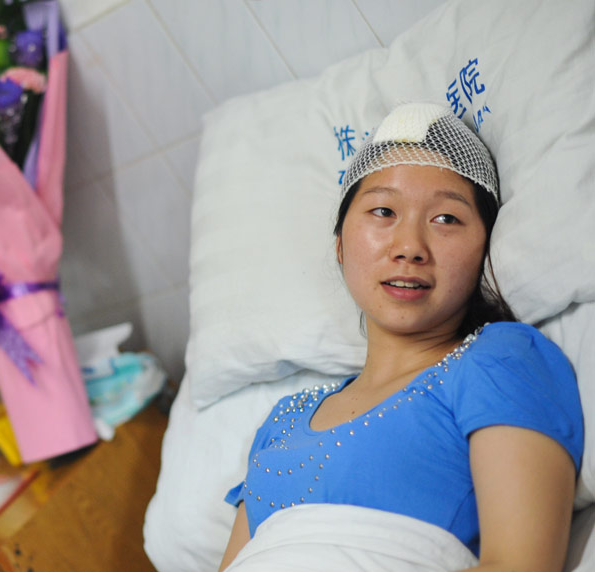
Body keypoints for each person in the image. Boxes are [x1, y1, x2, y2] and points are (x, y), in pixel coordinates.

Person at [218, 103, 584, 571]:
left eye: (447, 219)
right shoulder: (282, 421)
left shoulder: (499, 360)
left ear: (485, 248)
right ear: (340, 246)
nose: (409, 247)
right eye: (383, 210)